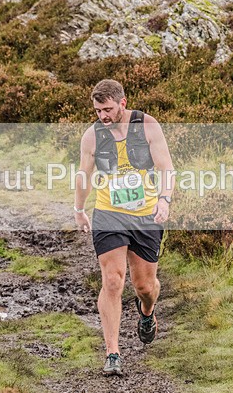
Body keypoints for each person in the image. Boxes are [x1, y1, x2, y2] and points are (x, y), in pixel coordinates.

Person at [74, 80, 174, 377]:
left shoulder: (148, 126)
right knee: (113, 281)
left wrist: (165, 200)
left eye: (107, 109)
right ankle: (113, 353)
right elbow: (84, 174)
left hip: (144, 215)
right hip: (108, 214)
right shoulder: (92, 136)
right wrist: (79, 209)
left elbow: (167, 168)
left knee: (145, 287)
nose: (103, 115)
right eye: (97, 110)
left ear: (122, 102)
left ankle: (146, 312)